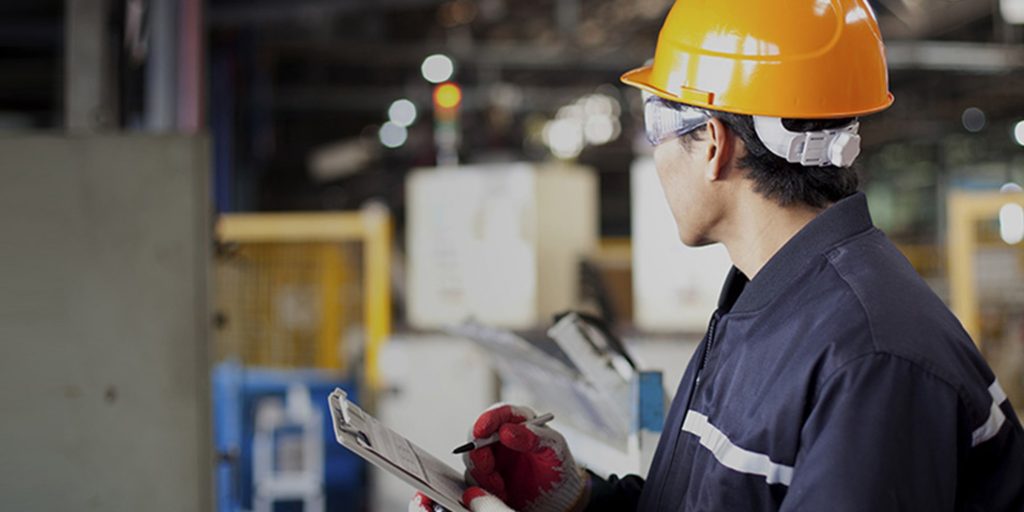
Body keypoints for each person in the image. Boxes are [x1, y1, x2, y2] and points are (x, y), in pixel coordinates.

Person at [413, 0, 1024, 510]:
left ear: (711, 141)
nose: (654, 155)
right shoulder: (768, 300)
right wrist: (578, 502)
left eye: (655, 126)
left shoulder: (870, 360)